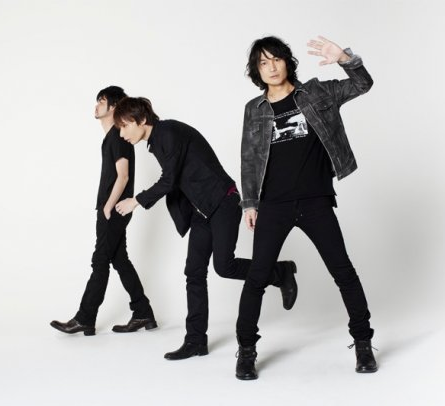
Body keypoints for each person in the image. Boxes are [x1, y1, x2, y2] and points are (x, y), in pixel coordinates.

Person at [235, 36, 377, 380]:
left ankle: (363, 343)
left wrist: (344, 58)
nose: (271, 67)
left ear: (287, 61)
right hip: (273, 204)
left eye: (276, 59)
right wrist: (250, 203)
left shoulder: (316, 93)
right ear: (257, 71)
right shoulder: (254, 109)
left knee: (343, 272)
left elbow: (363, 84)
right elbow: (249, 158)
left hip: (316, 200)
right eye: (263, 63)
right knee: (256, 278)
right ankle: (246, 350)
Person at [112, 97, 297, 359]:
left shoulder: (168, 133)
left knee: (225, 266)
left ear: (141, 120)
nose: (122, 134)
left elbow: (169, 180)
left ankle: (280, 272)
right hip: (202, 211)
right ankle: (196, 340)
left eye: (124, 126)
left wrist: (136, 201)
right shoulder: (157, 141)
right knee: (194, 272)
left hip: (222, 202)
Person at [50, 86, 156, 336]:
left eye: (102, 101)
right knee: (120, 260)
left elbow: (123, 175)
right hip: (113, 209)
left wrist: (107, 207)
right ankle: (143, 312)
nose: (96, 105)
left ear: (114, 106)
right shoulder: (112, 137)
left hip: (113, 209)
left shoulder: (118, 135)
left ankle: (85, 318)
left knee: (100, 261)